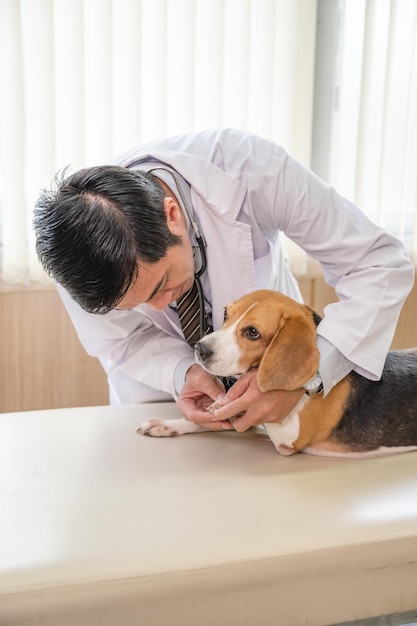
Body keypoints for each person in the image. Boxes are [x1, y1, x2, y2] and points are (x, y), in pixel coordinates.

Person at [34, 128, 414, 433]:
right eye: (135, 305)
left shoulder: (253, 171)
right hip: (158, 399)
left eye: (161, 284)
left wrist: (306, 377)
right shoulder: (75, 254)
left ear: (172, 215)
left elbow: (378, 262)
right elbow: (124, 342)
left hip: (277, 376)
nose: (160, 307)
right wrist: (186, 372)